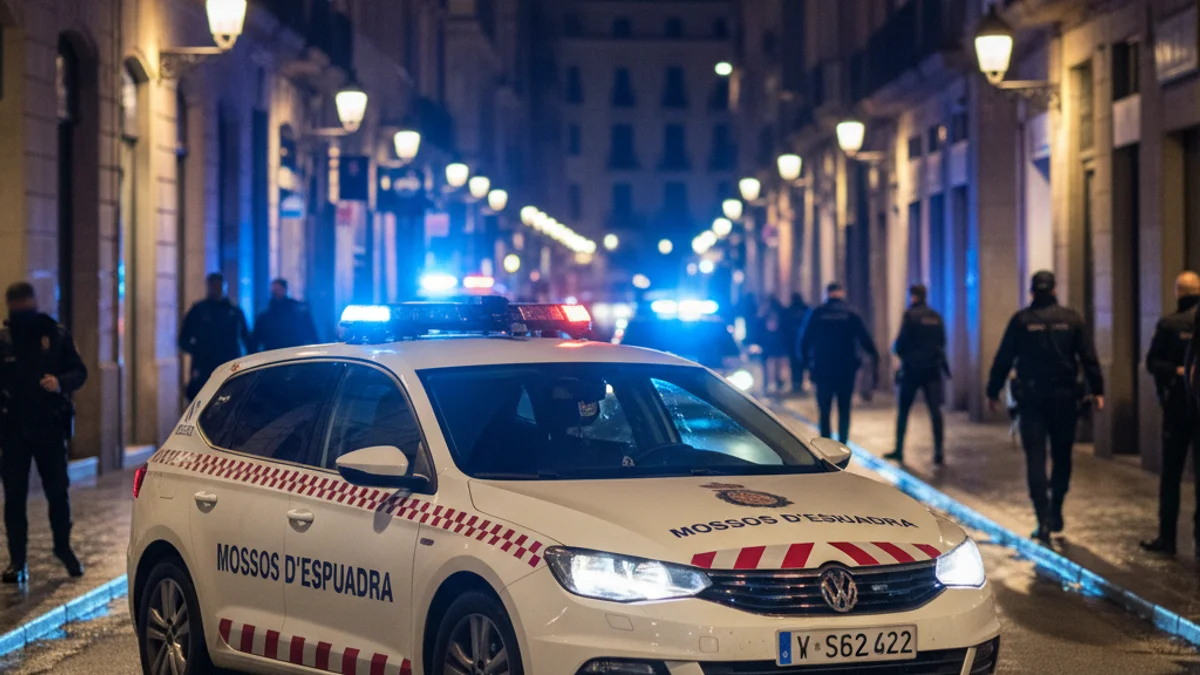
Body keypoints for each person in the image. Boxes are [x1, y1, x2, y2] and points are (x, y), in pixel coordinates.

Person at [986, 270, 1104, 543]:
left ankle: (1043, 519)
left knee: (1035, 460)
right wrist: (1097, 390)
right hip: (1065, 400)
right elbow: (1089, 357)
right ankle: (1057, 508)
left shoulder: (1021, 321)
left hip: (1032, 401)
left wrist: (992, 391)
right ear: (1054, 290)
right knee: (1063, 456)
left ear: (1031, 293)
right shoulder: (1071, 319)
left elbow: (1003, 358)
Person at [0, 282, 88, 583]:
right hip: (13, 431)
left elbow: (80, 372)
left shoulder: (55, 335)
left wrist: (60, 382)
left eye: (25, 301)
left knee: (57, 494)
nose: (22, 308)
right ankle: (17, 561)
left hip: (49, 428)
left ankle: (63, 548)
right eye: (17, 303)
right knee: (14, 497)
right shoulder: (5, 341)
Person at [1141, 272, 1200, 556]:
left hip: (1177, 407)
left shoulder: (1169, 324)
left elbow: (1152, 362)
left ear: (1179, 291)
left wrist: (1175, 372)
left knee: (1172, 474)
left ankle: (1167, 538)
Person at [797, 282, 879, 442]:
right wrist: (875, 358)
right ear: (842, 293)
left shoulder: (817, 313)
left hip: (822, 368)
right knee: (844, 408)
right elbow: (865, 339)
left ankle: (826, 444)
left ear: (827, 294)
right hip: (846, 369)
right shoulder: (851, 314)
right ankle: (843, 443)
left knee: (824, 410)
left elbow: (803, 341)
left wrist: (807, 365)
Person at [884, 284, 949, 465]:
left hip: (912, 370)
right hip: (932, 370)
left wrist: (902, 355)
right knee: (935, 412)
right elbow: (942, 342)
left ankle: (899, 449)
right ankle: (938, 451)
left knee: (904, 410)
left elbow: (900, 344)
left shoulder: (910, 315)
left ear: (913, 296)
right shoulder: (936, 317)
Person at [178, 273, 252, 400]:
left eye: (219, 286)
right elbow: (183, 339)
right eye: (214, 286)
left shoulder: (234, 311)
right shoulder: (199, 310)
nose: (217, 289)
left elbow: (247, 338)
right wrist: (199, 351)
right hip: (204, 366)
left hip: (229, 363)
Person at [251, 278, 320, 352]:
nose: (275, 293)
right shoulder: (265, 315)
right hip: (273, 354)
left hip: (294, 352)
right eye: (274, 290)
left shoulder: (298, 311)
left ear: (285, 290)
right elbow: (256, 338)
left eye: (278, 289)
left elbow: (311, 333)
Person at [785, 293, 810, 394]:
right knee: (800, 364)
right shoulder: (806, 310)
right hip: (801, 342)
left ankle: (796, 383)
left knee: (795, 364)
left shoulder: (790, 310)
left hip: (793, 342)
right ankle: (798, 383)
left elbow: (784, 327)